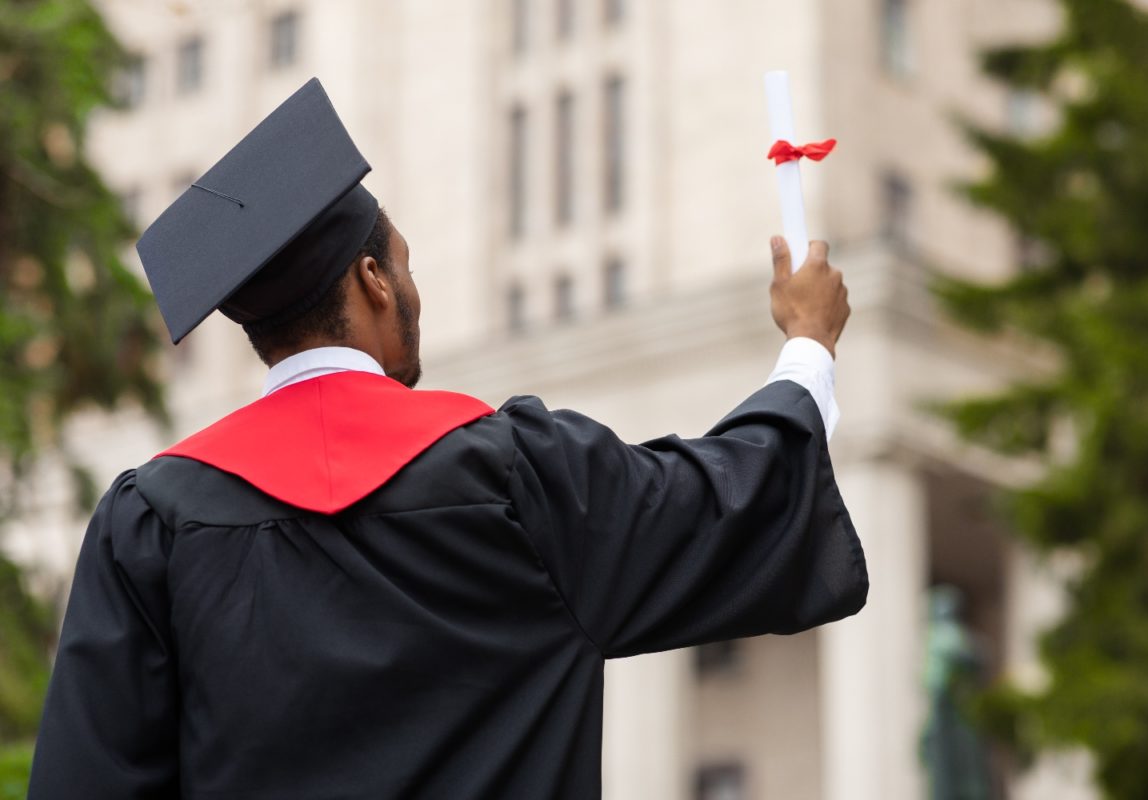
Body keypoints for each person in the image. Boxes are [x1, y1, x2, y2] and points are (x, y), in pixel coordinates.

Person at [28, 78, 866, 799]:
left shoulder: (156, 522)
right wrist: (807, 345)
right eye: (405, 264)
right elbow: (731, 499)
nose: (411, 287)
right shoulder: (519, 475)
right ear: (373, 283)